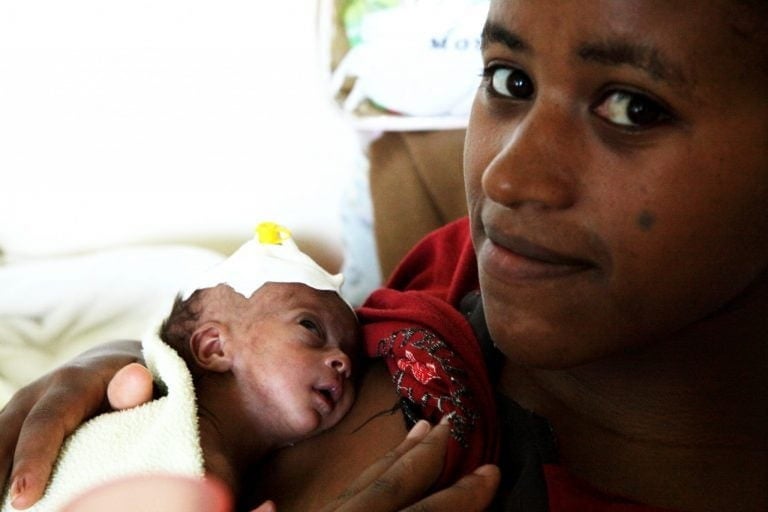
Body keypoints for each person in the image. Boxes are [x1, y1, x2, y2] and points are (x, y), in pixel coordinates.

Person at [1, 0, 767, 510]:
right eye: (510, 80)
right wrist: (155, 371)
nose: (506, 176)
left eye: (632, 107)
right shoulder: (463, 266)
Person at [1, 223, 361, 511]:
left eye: (352, 355)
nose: (342, 361)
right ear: (213, 346)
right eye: (310, 327)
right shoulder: (151, 410)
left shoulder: (239, 470)